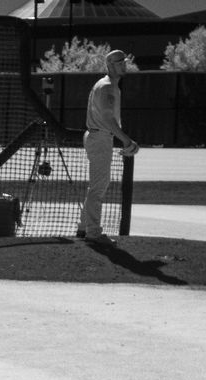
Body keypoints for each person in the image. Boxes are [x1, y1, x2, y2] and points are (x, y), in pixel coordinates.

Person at [80, 49, 138, 242]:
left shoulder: (107, 85)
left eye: (124, 62)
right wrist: (126, 140)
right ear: (110, 65)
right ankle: (93, 232)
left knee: (97, 185)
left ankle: (84, 227)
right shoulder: (107, 87)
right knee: (99, 186)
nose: (123, 65)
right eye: (119, 62)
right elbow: (107, 117)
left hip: (98, 137)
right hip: (100, 138)